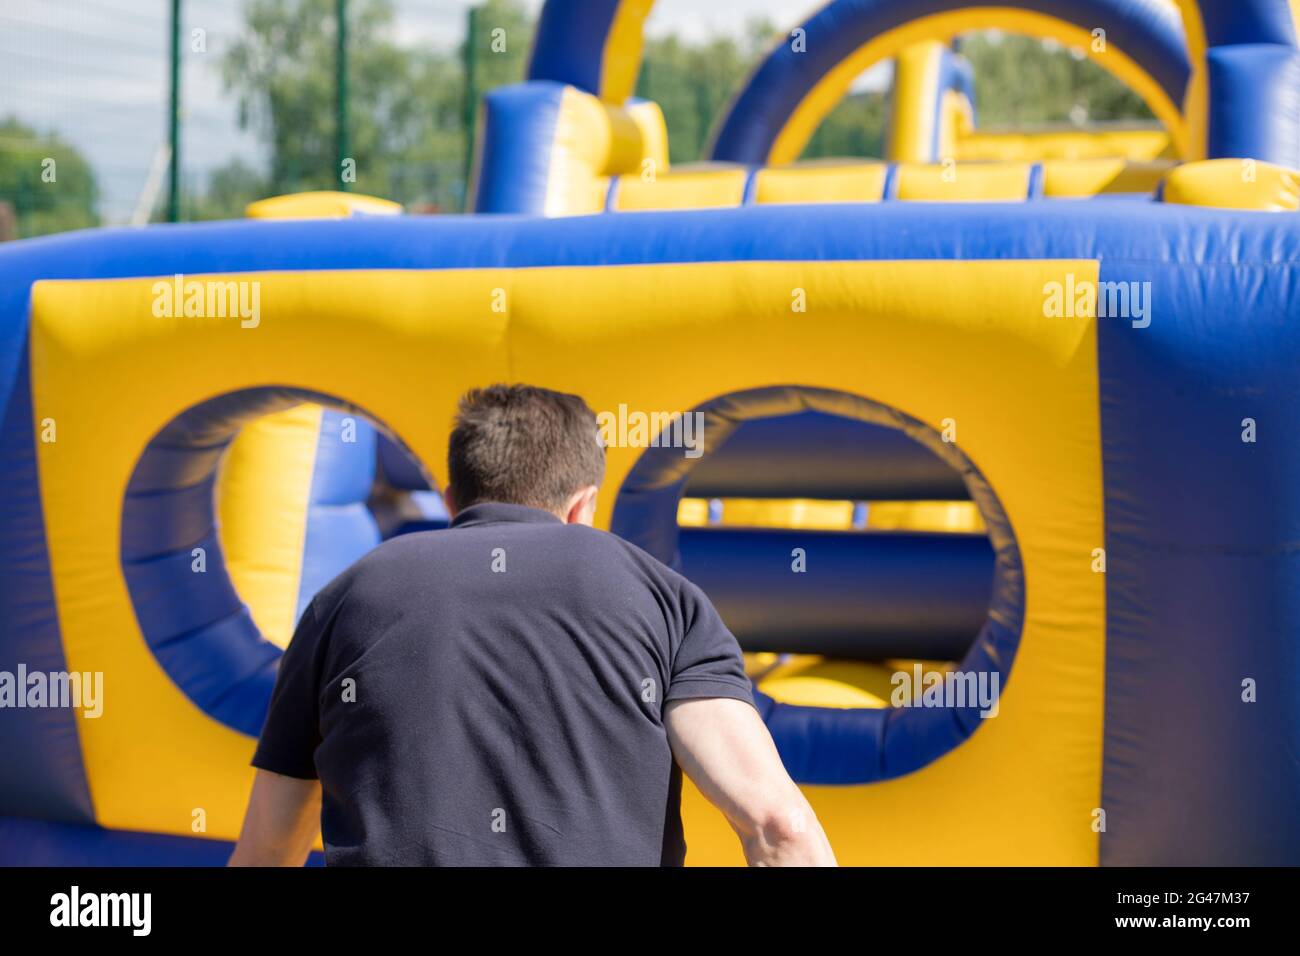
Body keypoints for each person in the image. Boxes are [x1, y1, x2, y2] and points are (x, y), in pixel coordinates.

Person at [229, 384, 835, 866]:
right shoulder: (663, 598)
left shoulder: (346, 597)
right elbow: (777, 826)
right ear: (583, 504)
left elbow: (268, 852)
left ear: (450, 500)